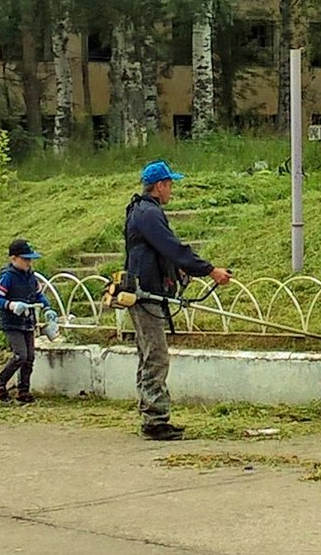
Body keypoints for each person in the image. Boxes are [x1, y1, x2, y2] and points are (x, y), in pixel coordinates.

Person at [123, 161, 231, 441]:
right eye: (170, 185)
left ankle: (151, 414)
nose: (172, 190)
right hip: (145, 294)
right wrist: (209, 270)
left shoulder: (143, 210)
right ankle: (155, 420)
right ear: (160, 186)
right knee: (156, 356)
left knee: (149, 355)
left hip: (146, 290)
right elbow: (172, 247)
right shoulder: (148, 213)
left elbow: (161, 253)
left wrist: (178, 271)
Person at [0, 238, 50, 403]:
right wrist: (11, 305)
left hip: (28, 321)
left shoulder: (31, 277)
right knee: (20, 355)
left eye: (30, 259)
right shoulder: (8, 277)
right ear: (13, 258)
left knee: (30, 356)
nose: (28, 263)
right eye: (25, 259)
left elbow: (39, 295)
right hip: (12, 323)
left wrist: (47, 308)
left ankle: (23, 390)